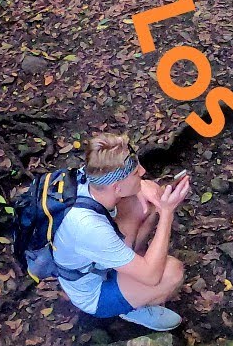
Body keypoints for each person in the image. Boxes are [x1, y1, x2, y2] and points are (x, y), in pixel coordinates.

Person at [52, 133, 190, 331]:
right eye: (135, 173)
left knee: (147, 202)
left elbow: (140, 189)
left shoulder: (91, 176)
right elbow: (152, 276)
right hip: (95, 291)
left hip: (96, 259)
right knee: (171, 273)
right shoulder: (89, 228)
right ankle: (132, 307)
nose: (143, 171)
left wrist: (143, 186)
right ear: (117, 187)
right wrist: (167, 213)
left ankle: (131, 266)